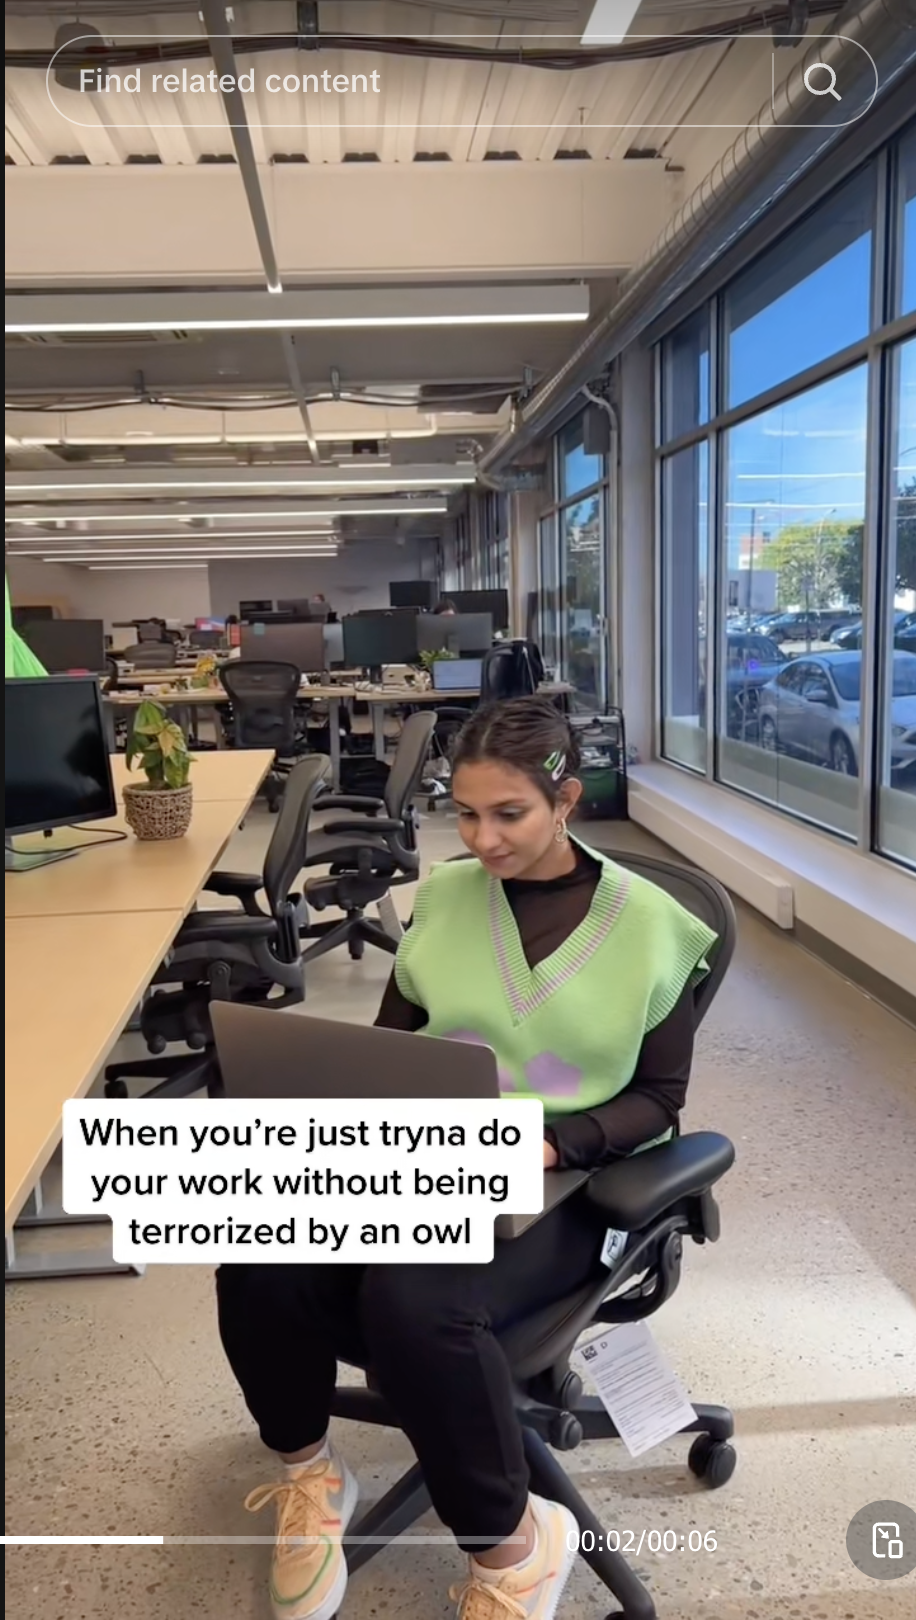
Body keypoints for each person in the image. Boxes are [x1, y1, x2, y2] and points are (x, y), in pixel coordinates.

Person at [217, 696, 717, 1620]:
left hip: (568, 1179)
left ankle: (513, 1550)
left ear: (565, 800)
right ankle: (311, 1476)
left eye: (509, 814)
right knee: (258, 1252)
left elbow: (660, 1101)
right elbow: (395, 1040)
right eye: (467, 809)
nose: (481, 837)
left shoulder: (652, 925)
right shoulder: (446, 896)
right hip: (431, 1152)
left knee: (414, 1298)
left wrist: (554, 1138)